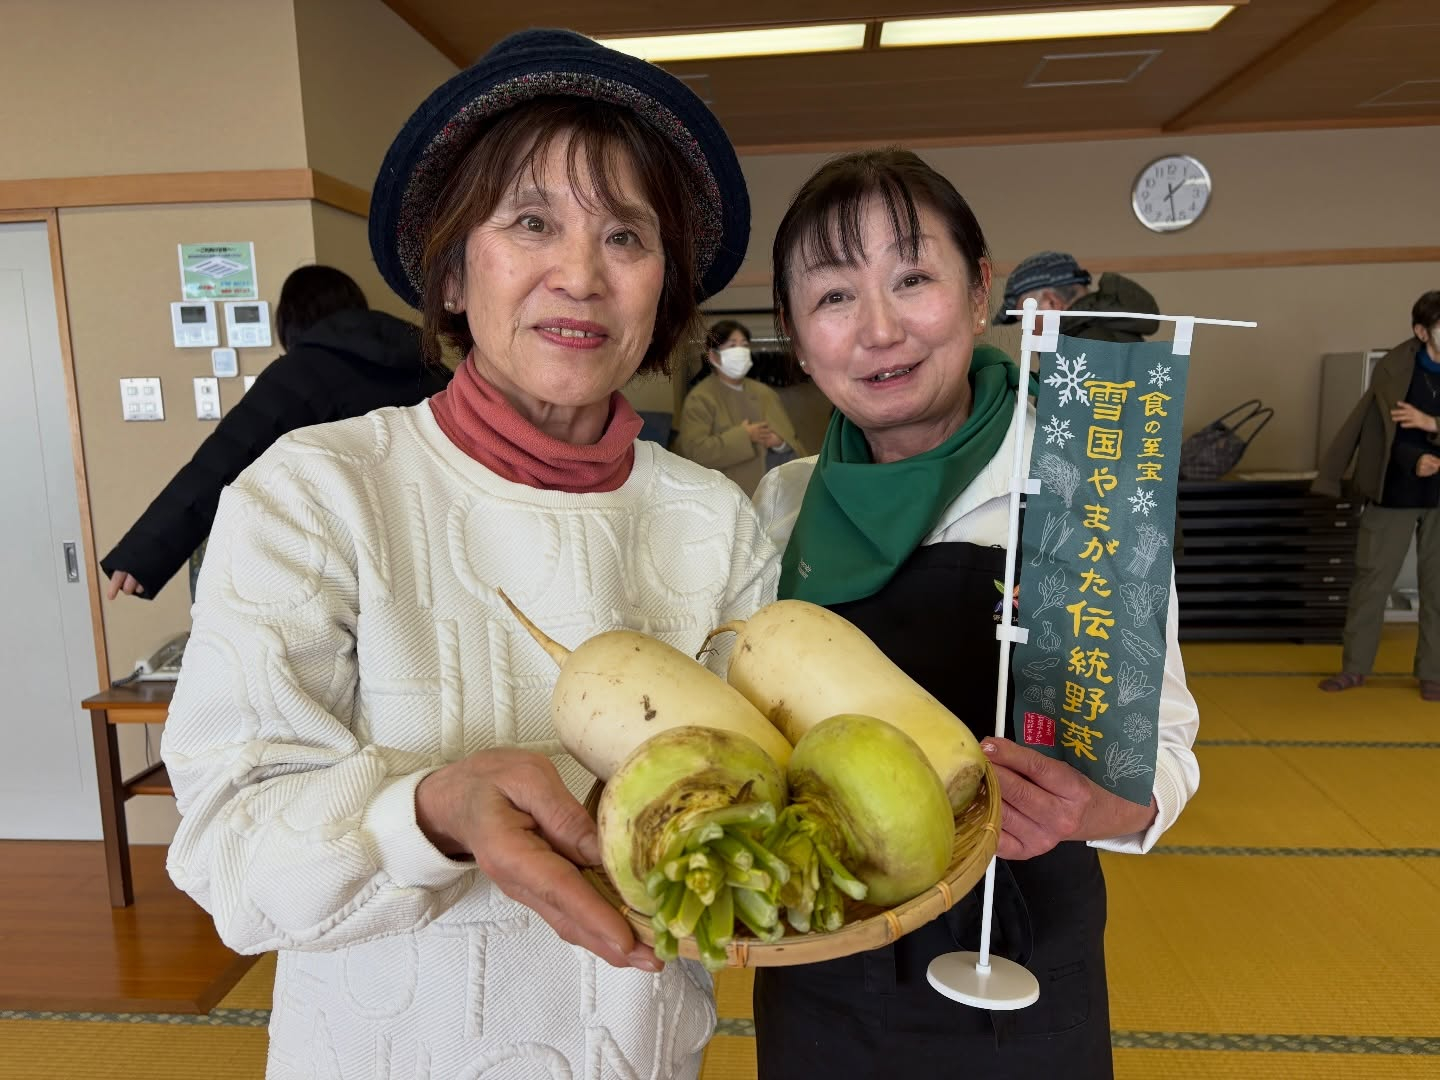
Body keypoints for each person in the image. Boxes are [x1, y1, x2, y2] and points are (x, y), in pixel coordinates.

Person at [160, 29, 770, 1080]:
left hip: (643, 1054)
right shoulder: (316, 492)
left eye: (626, 237)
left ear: (663, 294)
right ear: (451, 275)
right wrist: (430, 811)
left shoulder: (714, 518)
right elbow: (230, 855)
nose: (579, 274)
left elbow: (747, 792)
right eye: (531, 222)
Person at [750, 150, 1200, 1079]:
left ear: (980, 291)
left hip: (1022, 952)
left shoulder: (1081, 488)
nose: (879, 330)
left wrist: (1102, 806)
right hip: (826, 952)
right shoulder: (782, 509)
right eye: (834, 296)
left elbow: (1167, 740)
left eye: (913, 278)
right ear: (796, 334)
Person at [100, 265, 451, 602]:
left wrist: (142, 555)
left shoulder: (302, 371)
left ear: (289, 320)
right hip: (442, 546)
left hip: (348, 563)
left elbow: (225, 458)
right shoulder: (427, 364)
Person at [1315, 290, 1440, 700]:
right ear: (1422, 332)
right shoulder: (1394, 368)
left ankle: (1433, 673)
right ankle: (1354, 668)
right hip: (1394, 490)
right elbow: (1378, 430)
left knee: (1438, 585)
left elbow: (1418, 423)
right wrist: (1415, 457)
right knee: (1371, 581)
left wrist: (1431, 423)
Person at [676, 319, 807, 494]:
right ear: (714, 356)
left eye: (744, 345)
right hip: (724, 497)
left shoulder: (765, 393)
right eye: (732, 346)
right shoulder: (700, 398)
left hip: (771, 494)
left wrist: (780, 444)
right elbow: (694, 453)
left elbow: (795, 445)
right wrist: (744, 435)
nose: (740, 351)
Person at [995, 250, 1160, 344]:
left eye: (1026, 319)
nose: (1027, 332)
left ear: (1052, 302)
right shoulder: (1115, 333)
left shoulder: (1079, 350)